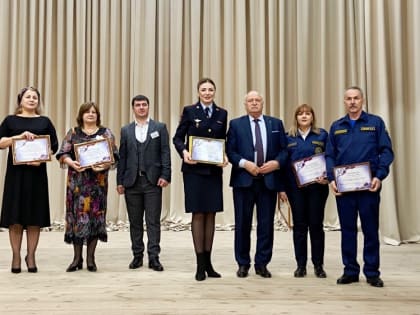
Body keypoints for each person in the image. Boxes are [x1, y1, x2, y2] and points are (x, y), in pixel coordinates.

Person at [325, 86, 394, 288]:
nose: (352, 102)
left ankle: (372, 272)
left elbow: (387, 151)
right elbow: (330, 155)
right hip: (344, 188)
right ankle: (350, 270)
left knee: (370, 230)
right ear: (344, 101)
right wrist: (331, 179)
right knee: (347, 230)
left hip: (368, 187)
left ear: (362, 100)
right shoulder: (336, 126)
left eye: (356, 98)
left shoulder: (375, 123)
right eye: (348, 99)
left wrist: (379, 176)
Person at [226, 90, 287, 278]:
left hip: (268, 182)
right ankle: (243, 263)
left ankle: (262, 263)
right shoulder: (236, 124)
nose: (254, 103)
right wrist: (245, 164)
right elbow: (230, 151)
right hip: (244, 181)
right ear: (245, 104)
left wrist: (276, 163)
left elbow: (285, 150)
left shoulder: (275, 123)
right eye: (250, 101)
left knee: (266, 225)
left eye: (257, 100)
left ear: (262, 103)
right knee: (242, 224)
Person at [173, 78, 228, 281]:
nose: (207, 93)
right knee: (198, 214)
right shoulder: (189, 111)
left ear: (215, 91)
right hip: (194, 171)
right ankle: (199, 265)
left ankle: (209, 263)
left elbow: (224, 140)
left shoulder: (222, 113)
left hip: (213, 171)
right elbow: (177, 138)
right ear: (198, 92)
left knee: (211, 214)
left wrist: (225, 155)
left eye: (210, 89)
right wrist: (184, 152)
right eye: (203, 89)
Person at [0, 86, 58, 273]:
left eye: (35, 97)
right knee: (15, 219)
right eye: (28, 96)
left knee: (35, 219)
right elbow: (0, 142)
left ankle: (31, 255)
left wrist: (41, 157)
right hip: (16, 177)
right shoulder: (10, 120)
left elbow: (53, 147)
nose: (32, 99)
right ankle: (16, 256)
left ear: (38, 101)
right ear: (20, 100)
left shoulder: (44, 121)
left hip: (37, 176)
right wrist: (17, 137)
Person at [56, 102, 118, 272]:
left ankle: (91, 259)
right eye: (87, 112)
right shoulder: (73, 133)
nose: (91, 114)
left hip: (97, 185)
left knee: (95, 219)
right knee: (77, 219)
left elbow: (114, 156)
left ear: (98, 115)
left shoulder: (106, 133)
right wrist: (71, 162)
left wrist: (104, 165)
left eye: (94, 112)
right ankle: (77, 259)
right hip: (77, 185)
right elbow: (62, 153)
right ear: (81, 115)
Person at [117, 94, 171, 272]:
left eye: (144, 105)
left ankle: (154, 257)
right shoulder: (126, 130)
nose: (141, 107)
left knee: (153, 221)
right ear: (133, 108)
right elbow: (122, 158)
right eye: (138, 105)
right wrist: (120, 181)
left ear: (148, 107)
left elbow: (165, 153)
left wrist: (166, 175)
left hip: (153, 182)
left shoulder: (159, 127)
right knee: (135, 222)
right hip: (131, 182)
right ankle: (137, 256)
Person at [279, 104, 329, 278]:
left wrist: (328, 176)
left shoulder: (322, 135)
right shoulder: (288, 137)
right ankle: (301, 265)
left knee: (316, 226)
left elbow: (330, 158)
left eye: (308, 113)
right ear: (296, 118)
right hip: (295, 189)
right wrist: (282, 189)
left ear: (312, 117)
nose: (304, 116)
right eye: (300, 114)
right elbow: (283, 165)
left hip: (317, 188)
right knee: (299, 227)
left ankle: (318, 265)